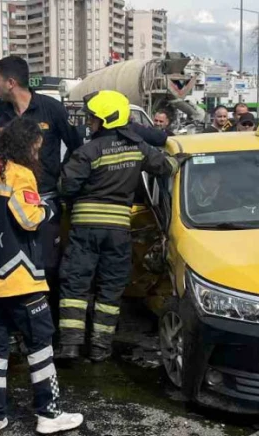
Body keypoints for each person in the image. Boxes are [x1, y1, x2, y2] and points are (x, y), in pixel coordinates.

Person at [0, 117, 83, 436]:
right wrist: (48, 210)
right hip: (18, 277)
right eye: (36, 147)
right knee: (40, 346)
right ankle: (49, 414)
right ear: (26, 145)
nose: (38, 152)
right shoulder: (20, 174)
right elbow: (29, 220)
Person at [57, 90, 177, 362]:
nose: (89, 122)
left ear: (106, 120)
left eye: (92, 118)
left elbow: (66, 186)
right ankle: (100, 348)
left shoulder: (87, 151)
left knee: (75, 287)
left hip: (85, 229)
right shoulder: (137, 148)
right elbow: (167, 167)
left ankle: (70, 346)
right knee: (110, 288)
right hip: (119, 231)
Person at [0, 56, 82, 295]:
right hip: (12, 201)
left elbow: (77, 146)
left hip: (45, 198)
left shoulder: (51, 107)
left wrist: (63, 176)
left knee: (47, 263)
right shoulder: (3, 114)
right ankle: (23, 319)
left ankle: (47, 321)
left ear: (11, 82)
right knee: (18, 263)